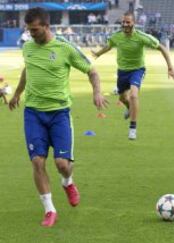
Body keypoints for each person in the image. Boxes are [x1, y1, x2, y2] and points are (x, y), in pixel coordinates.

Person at [8, 7, 108, 227]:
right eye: (29, 30)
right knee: (37, 161)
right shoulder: (28, 47)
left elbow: (91, 71)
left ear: (46, 26)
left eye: (35, 30)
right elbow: (28, 70)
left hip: (59, 113)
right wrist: (17, 94)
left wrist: (97, 92)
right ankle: (49, 209)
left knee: (62, 164)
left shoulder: (64, 47)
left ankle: (67, 182)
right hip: (33, 113)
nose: (31, 34)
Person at [91, 11, 174, 140]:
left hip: (137, 70)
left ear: (134, 23)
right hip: (122, 72)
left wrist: (170, 67)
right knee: (122, 98)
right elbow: (108, 46)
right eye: (123, 22)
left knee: (133, 95)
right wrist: (98, 53)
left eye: (128, 22)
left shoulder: (142, 37)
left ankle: (133, 128)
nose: (125, 24)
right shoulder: (117, 37)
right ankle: (128, 108)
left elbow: (162, 48)